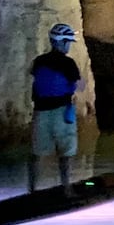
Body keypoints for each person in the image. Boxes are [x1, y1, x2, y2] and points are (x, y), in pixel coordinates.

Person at [28, 22, 82, 196]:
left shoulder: (39, 61)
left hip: (40, 113)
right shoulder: (68, 63)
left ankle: (32, 190)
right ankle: (67, 189)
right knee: (65, 152)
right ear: (61, 42)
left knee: (37, 152)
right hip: (62, 113)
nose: (68, 46)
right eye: (67, 42)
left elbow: (34, 75)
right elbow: (78, 85)